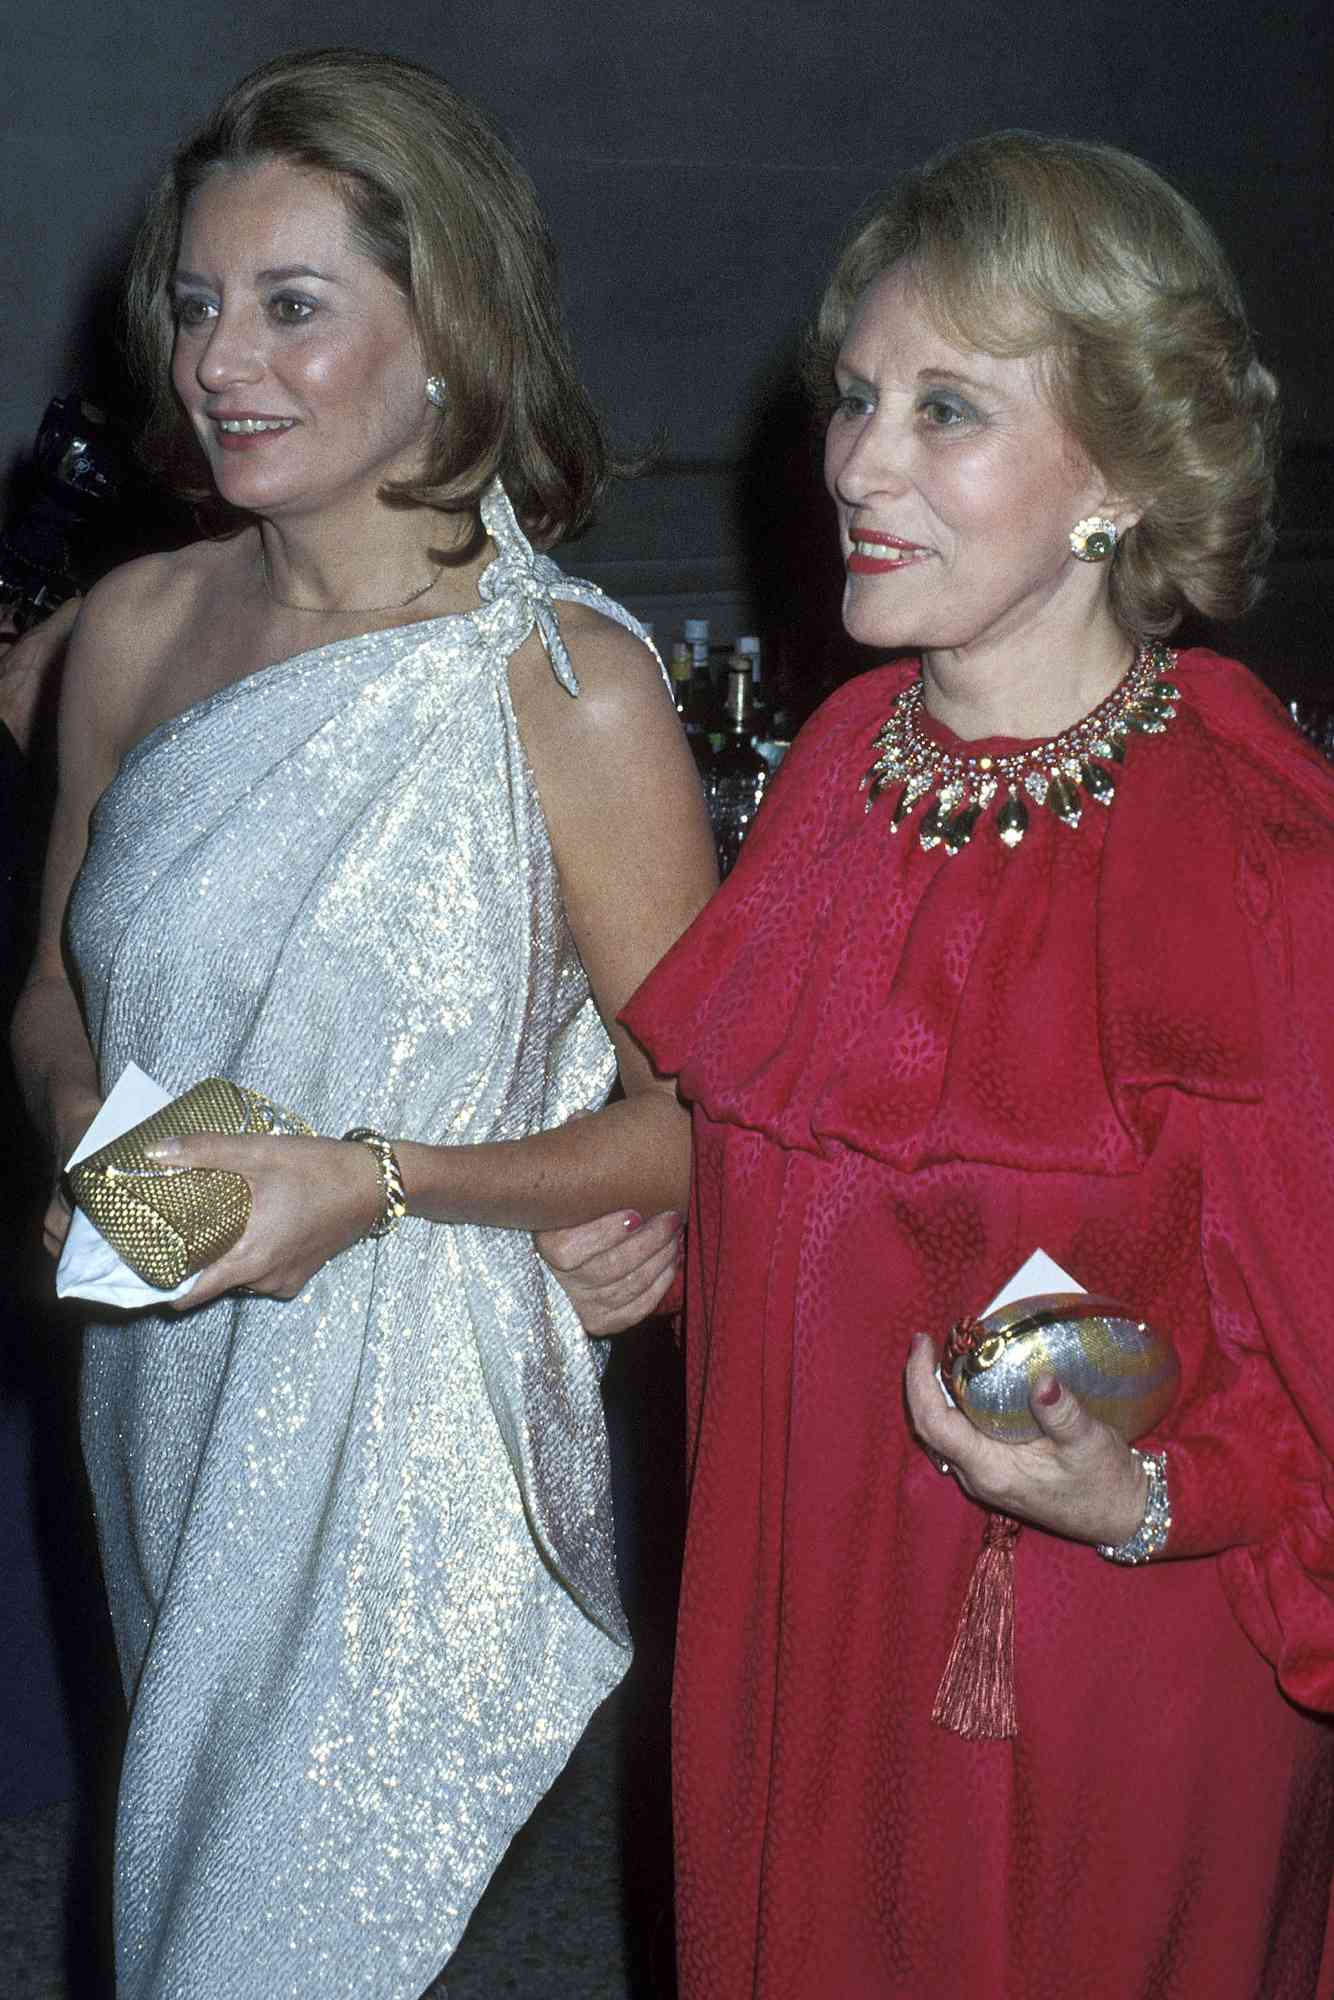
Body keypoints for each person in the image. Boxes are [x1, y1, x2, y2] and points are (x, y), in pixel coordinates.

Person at [539, 132, 1334, 1997]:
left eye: (946, 410)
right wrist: (658, 1256)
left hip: (1095, 1672)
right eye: (855, 397)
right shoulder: (836, 775)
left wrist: (1144, 1496)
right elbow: (828, 1220)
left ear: (1121, 474)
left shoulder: (1260, 857)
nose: (856, 463)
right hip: (797, 1621)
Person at [10, 48, 714, 2000]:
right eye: (198, 300)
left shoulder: (565, 685)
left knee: (260, 1945)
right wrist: (93, 1141)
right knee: (176, 1899)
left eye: (294, 304)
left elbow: (708, 1114)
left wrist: (380, 1182)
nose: (226, 355)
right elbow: (57, 988)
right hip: (172, 1377)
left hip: (422, 1424)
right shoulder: (137, 633)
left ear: (449, 332)